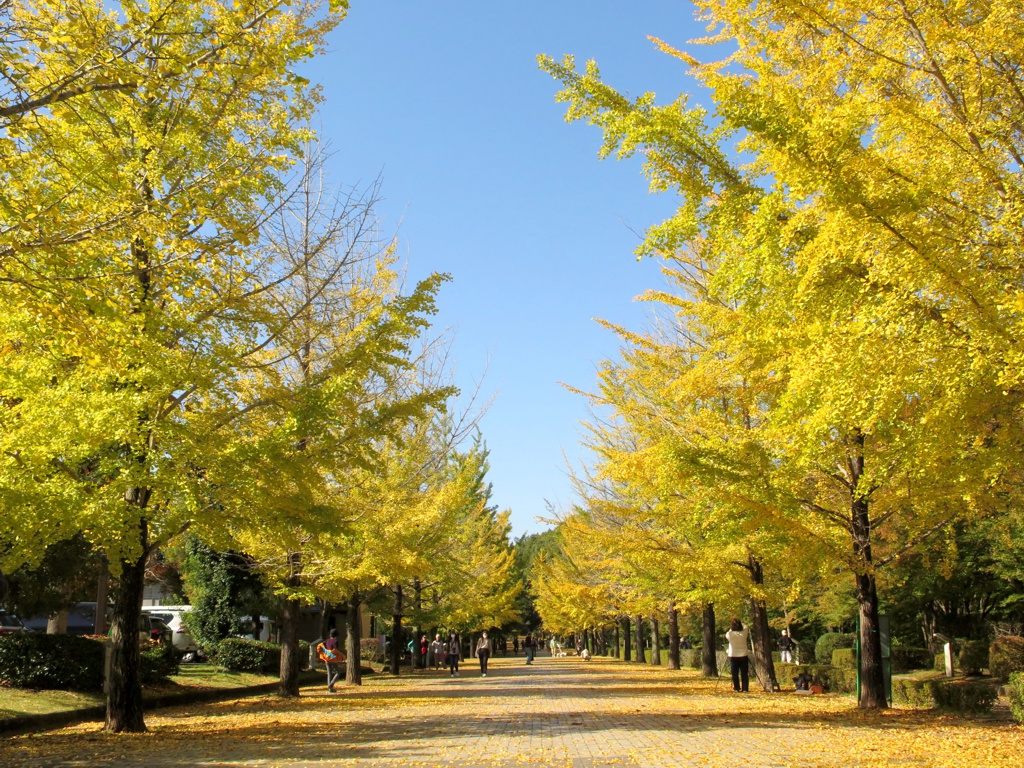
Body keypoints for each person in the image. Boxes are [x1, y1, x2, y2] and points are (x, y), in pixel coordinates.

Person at [726, 618, 749, 693]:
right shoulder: (744, 633)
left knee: (734, 673)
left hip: (733, 655)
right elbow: (746, 626)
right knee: (744, 673)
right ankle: (745, 688)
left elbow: (729, 632)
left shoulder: (730, 634)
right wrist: (740, 624)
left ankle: (736, 687)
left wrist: (732, 628)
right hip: (743, 655)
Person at [318, 629, 343, 693]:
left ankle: (330, 689)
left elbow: (321, 647)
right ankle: (331, 684)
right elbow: (336, 650)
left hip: (326, 658)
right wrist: (342, 656)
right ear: (336, 635)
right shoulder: (335, 641)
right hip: (332, 658)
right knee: (338, 672)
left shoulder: (326, 641)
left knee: (329, 673)